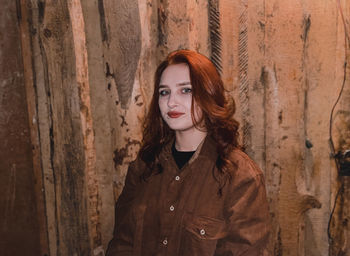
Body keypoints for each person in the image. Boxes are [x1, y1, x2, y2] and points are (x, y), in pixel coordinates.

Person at [106, 49, 270, 256]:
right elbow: (122, 243)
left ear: (208, 94)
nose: (171, 102)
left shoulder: (240, 176)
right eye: (164, 92)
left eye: (186, 90)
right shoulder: (144, 166)